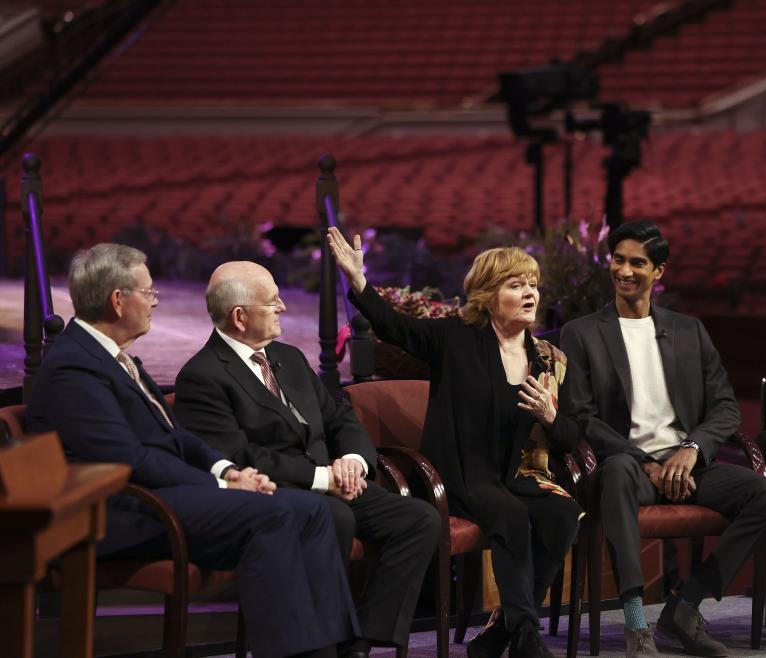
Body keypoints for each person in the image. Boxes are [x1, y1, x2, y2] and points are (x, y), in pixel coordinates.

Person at [25, 243, 359, 658]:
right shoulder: (75, 367)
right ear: (118, 300)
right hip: (118, 509)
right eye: (148, 293)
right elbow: (131, 460)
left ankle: (330, 649)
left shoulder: (111, 357)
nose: (155, 302)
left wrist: (226, 471)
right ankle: (293, 652)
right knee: (274, 514)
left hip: (161, 495)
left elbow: (176, 436)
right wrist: (220, 488)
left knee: (313, 511)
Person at [328, 227, 583, 658]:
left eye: (533, 285)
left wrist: (551, 417)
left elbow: (574, 434)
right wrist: (358, 282)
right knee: (510, 515)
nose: (529, 293)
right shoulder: (456, 338)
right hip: (464, 472)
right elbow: (395, 327)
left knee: (561, 513)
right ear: (487, 293)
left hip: (520, 472)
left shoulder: (548, 358)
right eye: (515, 284)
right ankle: (525, 637)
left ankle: (502, 630)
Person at [173, 261, 440, 658]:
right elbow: (239, 456)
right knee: (336, 516)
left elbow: (339, 416)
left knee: (419, 520)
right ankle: (320, 645)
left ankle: (361, 641)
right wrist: (321, 478)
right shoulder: (202, 376)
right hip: (277, 494)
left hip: (334, 482)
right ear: (240, 317)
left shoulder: (288, 356)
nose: (283, 306)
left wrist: (352, 460)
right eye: (272, 301)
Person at [559, 220, 766, 658]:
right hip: (627, 465)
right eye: (618, 260)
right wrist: (645, 460)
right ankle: (637, 623)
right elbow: (581, 416)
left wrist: (691, 448)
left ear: (658, 272)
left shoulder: (689, 330)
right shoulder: (582, 332)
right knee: (620, 470)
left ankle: (684, 607)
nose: (624, 270)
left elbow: (725, 406)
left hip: (687, 463)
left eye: (637, 263)